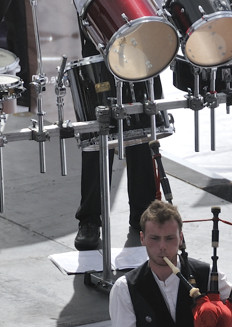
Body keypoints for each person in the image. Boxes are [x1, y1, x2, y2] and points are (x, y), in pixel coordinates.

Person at [73, 8, 160, 251]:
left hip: (138, 33)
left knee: (141, 131)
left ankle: (144, 215)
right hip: (99, 24)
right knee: (98, 133)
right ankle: (90, 220)